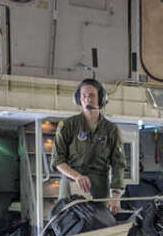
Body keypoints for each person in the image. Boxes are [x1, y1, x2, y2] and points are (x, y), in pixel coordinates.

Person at [51, 78, 125, 213]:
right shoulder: (68, 125)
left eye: (91, 95)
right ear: (78, 99)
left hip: (99, 187)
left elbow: (118, 164)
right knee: (69, 226)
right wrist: (77, 176)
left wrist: (115, 196)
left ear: (101, 99)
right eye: (83, 96)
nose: (87, 99)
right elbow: (57, 160)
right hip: (71, 185)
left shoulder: (111, 130)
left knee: (98, 227)